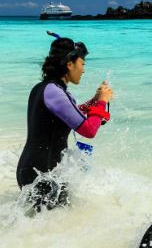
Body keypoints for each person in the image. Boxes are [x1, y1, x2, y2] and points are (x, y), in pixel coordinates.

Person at [16, 35, 113, 212]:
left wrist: (95, 100)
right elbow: (89, 130)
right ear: (70, 64)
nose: (83, 70)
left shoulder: (45, 88)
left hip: (39, 171)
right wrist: (101, 102)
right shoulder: (54, 91)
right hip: (42, 174)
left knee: (47, 224)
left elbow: (70, 114)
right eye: (82, 64)